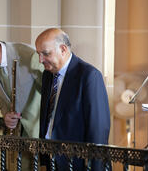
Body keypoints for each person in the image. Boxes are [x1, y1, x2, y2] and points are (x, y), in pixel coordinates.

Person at [35, 28, 110, 170]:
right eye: (38, 54)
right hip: (52, 161)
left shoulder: (89, 76)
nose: (40, 60)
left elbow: (98, 128)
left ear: (63, 49)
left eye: (45, 53)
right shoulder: (47, 75)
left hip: (78, 163)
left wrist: (96, 166)